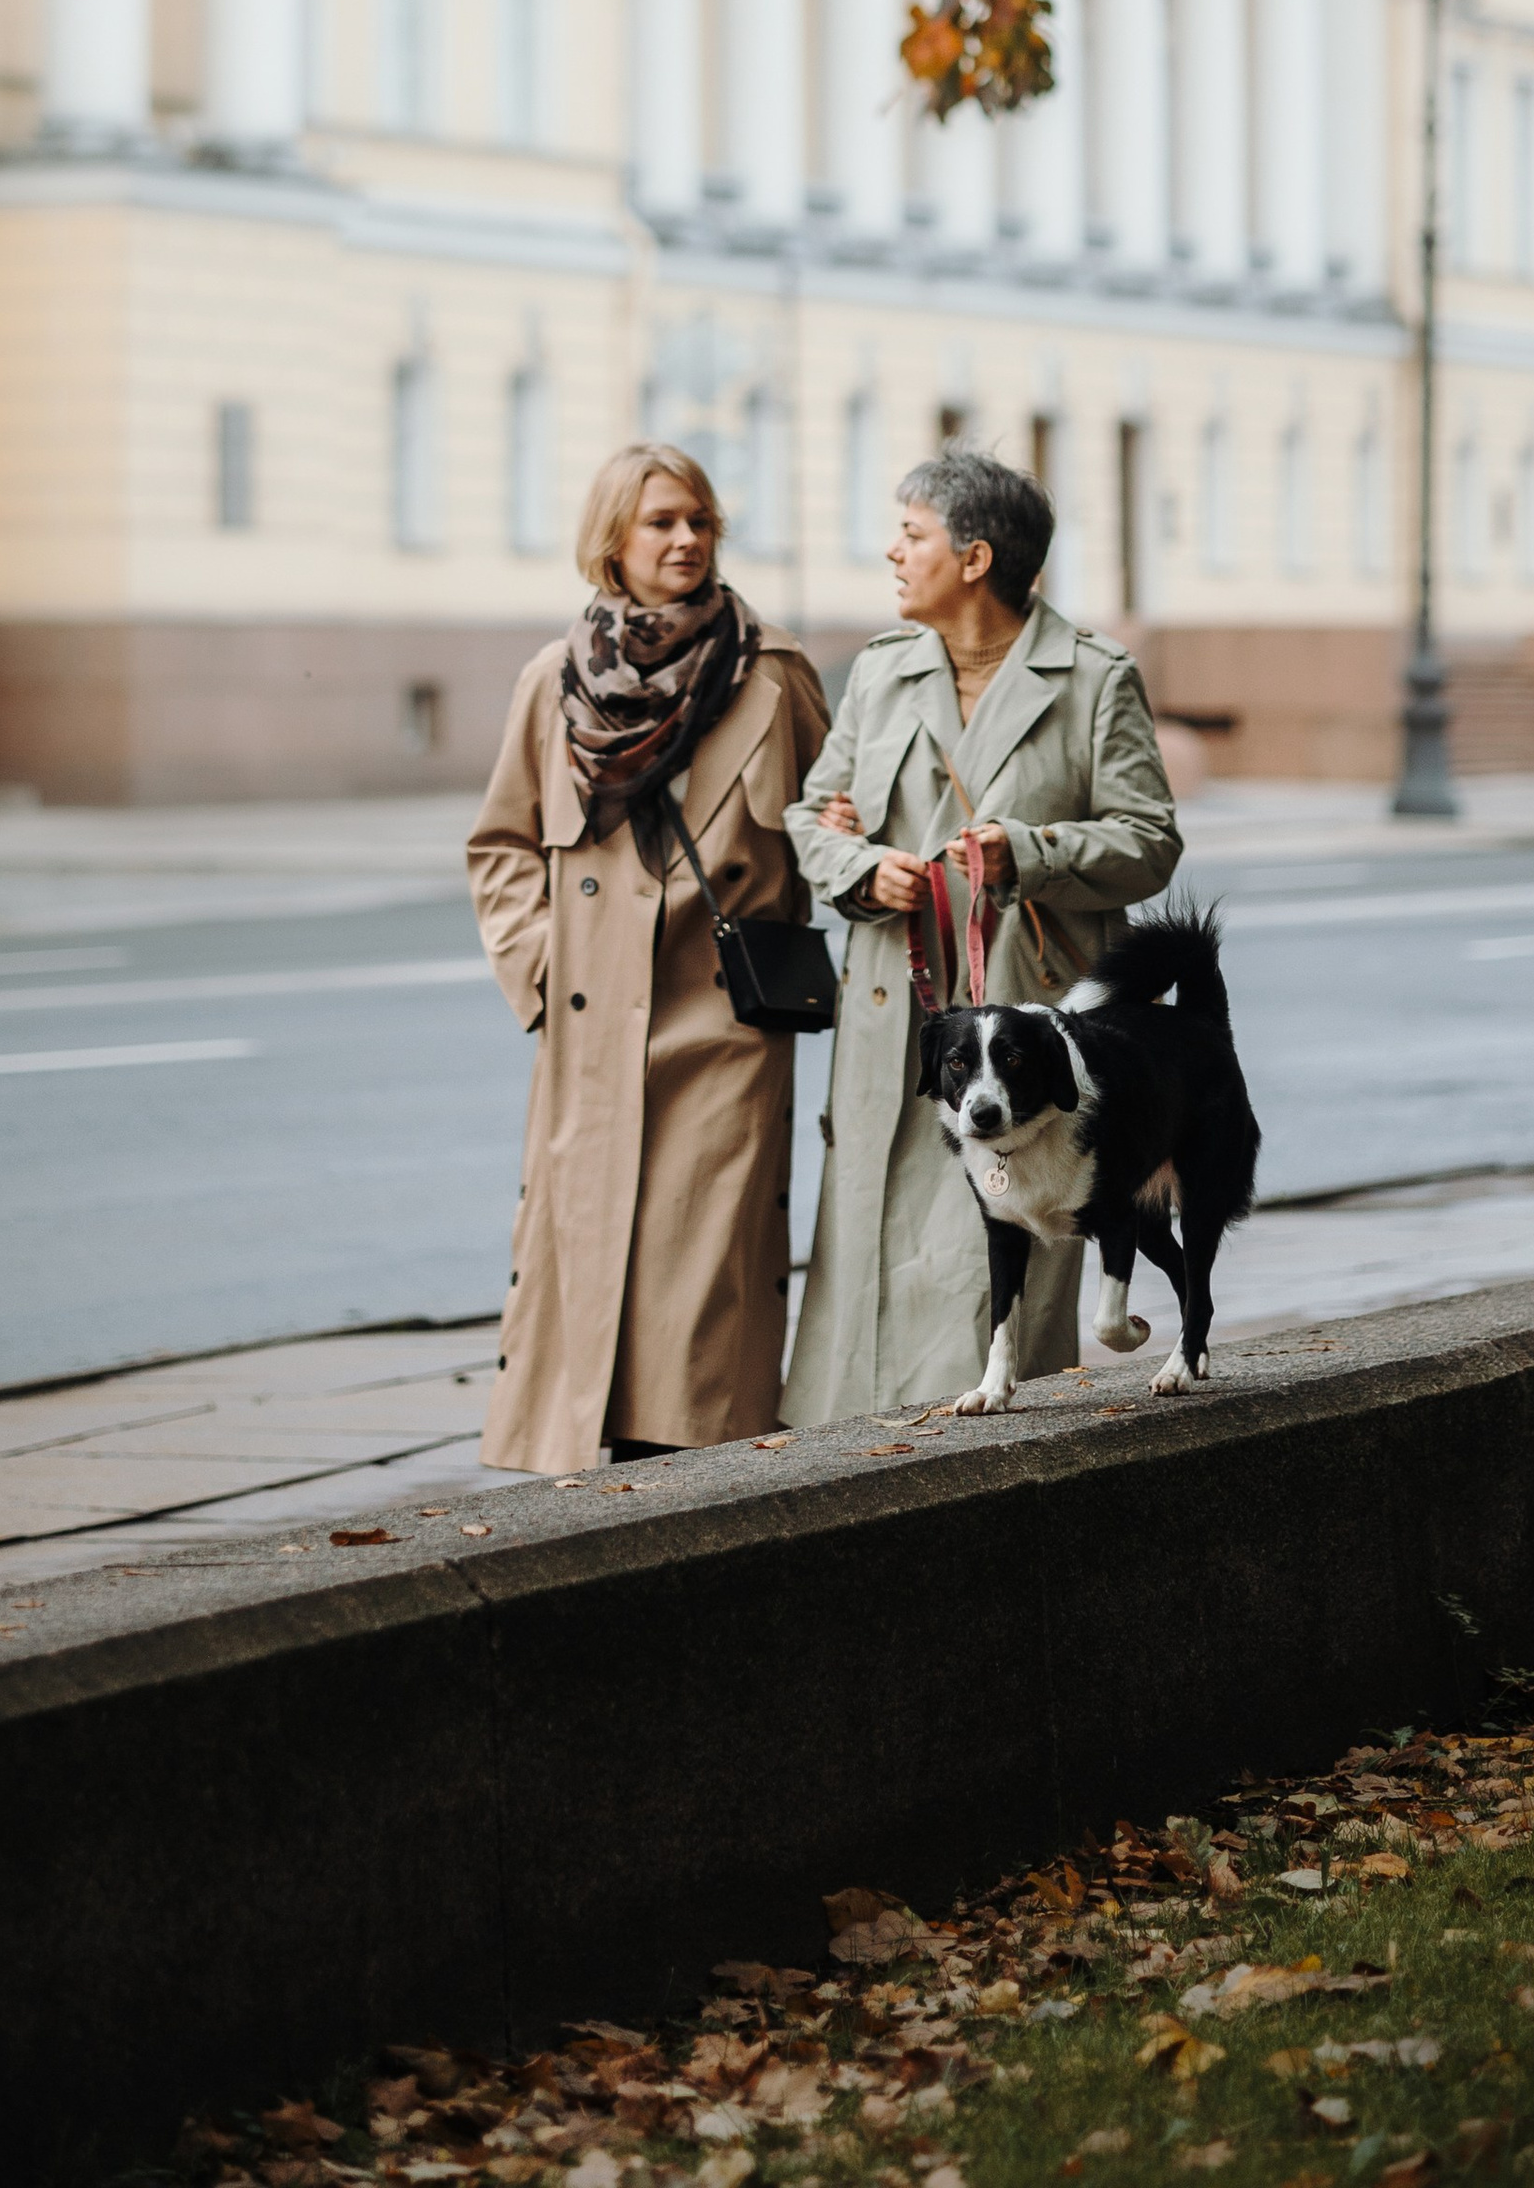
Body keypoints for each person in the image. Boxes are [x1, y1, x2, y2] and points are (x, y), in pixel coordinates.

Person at [780, 446, 1183, 1424]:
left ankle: (1001, 1469)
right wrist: (860, 868)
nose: (892, 550)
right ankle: (865, 1466)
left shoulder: (1090, 676)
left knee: (1005, 1256)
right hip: (906, 1033)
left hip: (1035, 1042)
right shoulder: (879, 674)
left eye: (911, 533)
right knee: (884, 1263)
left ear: (973, 557)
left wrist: (1030, 851)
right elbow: (810, 816)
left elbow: (1149, 841)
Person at [468, 442, 830, 1472]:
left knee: (697, 1292)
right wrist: (537, 968)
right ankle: (597, 1493)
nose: (683, 539)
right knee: (588, 1282)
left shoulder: (772, 676)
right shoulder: (554, 680)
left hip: (723, 1027)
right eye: (660, 521)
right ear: (612, 541)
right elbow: (499, 842)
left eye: (699, 520)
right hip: (589, 1025)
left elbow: (837, 830)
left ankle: (691, 1496)